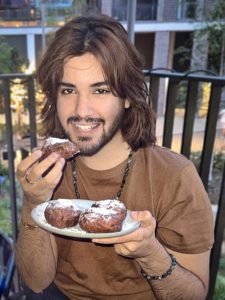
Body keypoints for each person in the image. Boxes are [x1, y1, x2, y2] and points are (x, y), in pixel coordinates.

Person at [15, 14, 214, 300]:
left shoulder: (175, 177)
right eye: (68, 90)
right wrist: (33, 202)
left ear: (128, 96)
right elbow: (35, 281)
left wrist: (150, 253)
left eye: (101, 90)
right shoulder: (47, 172)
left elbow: (194, 295)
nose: (82, 109)